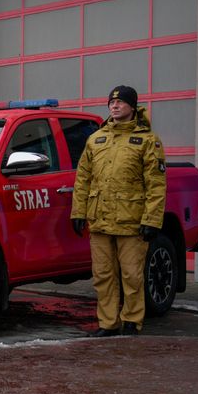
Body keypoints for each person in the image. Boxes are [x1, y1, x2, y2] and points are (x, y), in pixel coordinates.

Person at [71, 85, 166, 337]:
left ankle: (132, 321)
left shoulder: (147, 140)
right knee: (103, 276)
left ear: (132, 106)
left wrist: (152, 219)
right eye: (111, 103)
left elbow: (156, 184)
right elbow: (83, 179)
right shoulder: (96, 139)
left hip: (131, 221)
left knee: (132, 276)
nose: (114, 106)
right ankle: (108, 323)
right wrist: (78, 212)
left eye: (120, 102)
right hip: (100, 220)